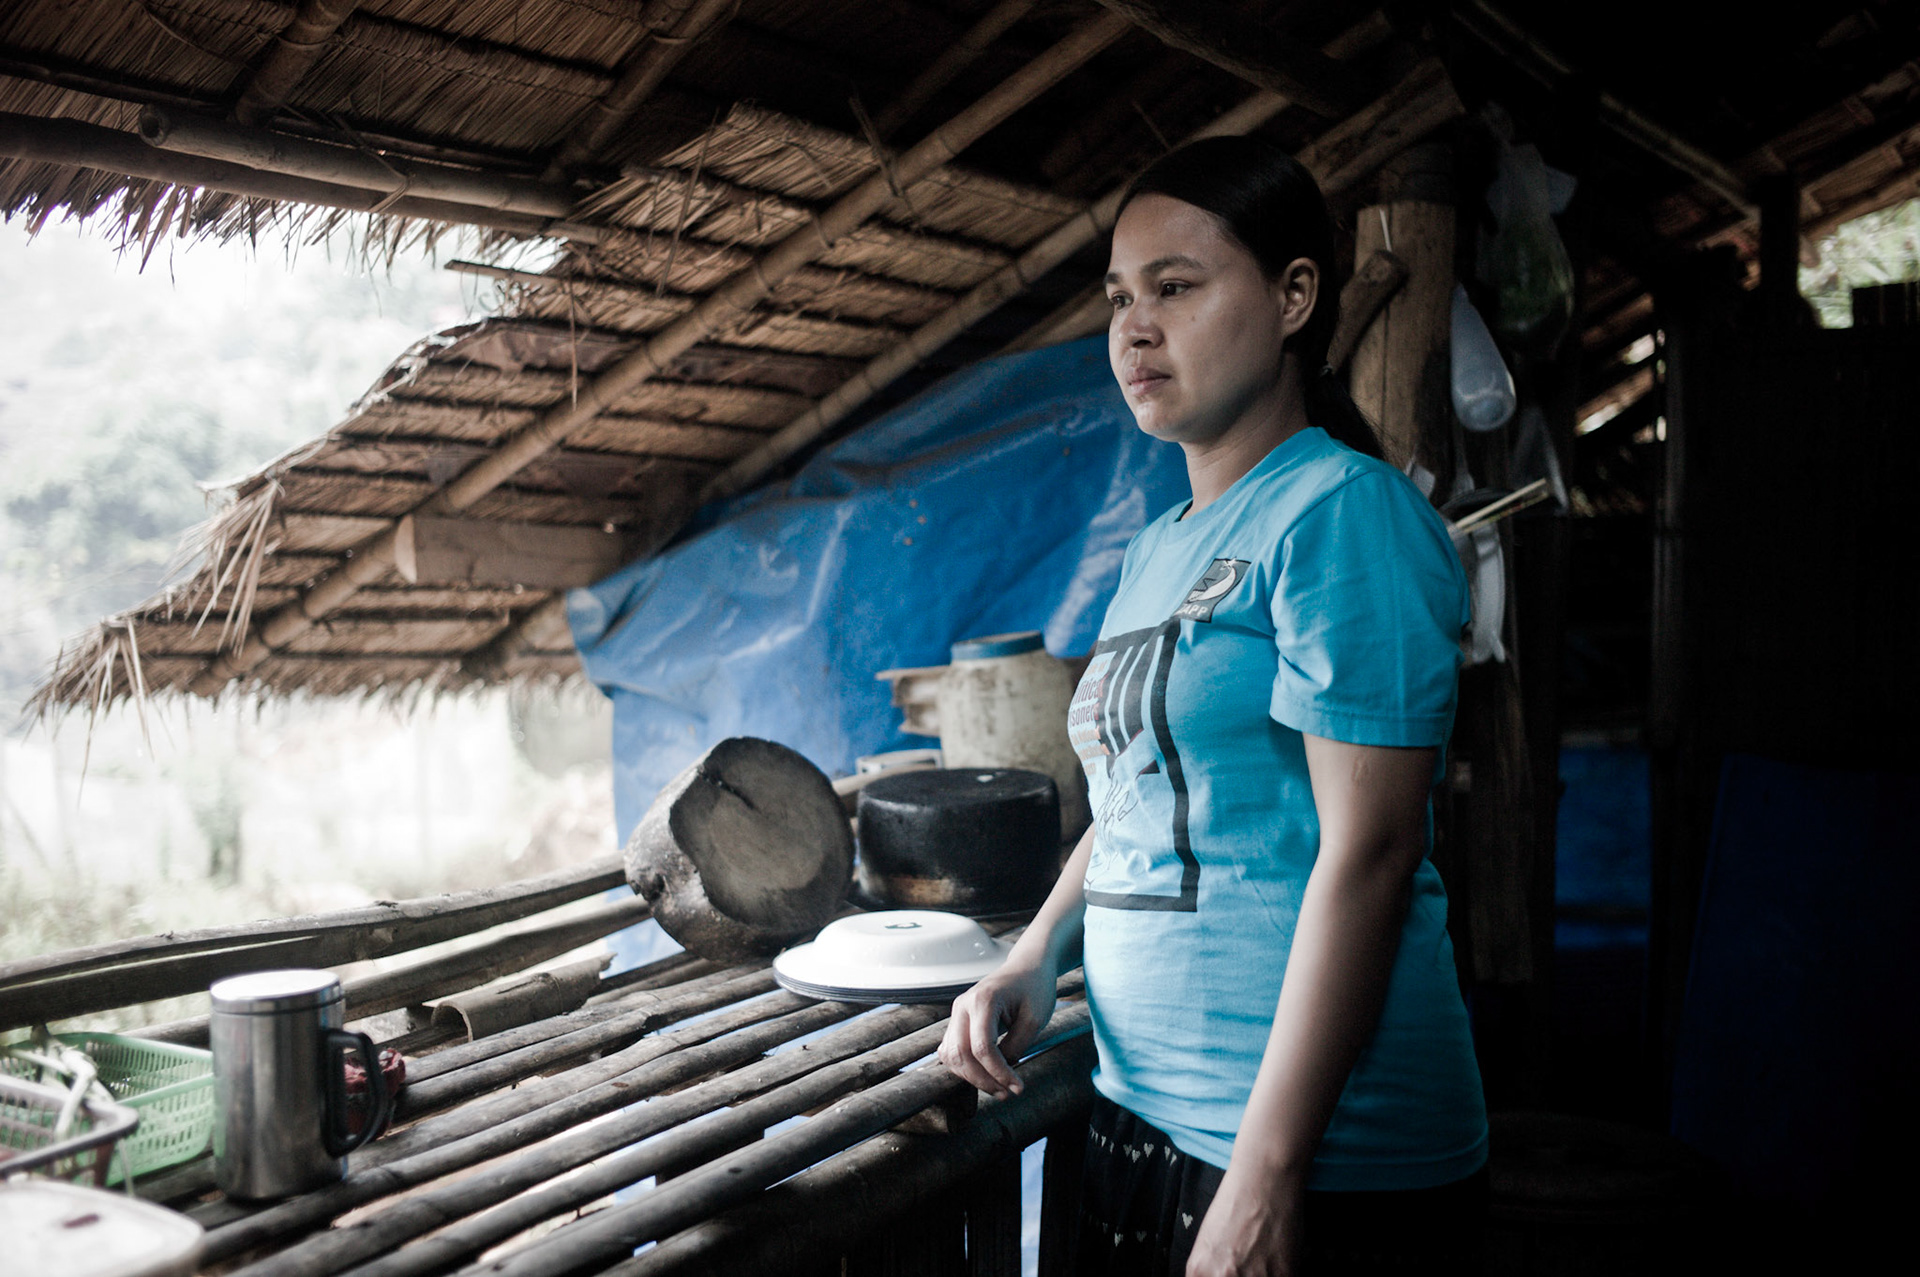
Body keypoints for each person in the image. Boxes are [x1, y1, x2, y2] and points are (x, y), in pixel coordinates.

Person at [937, 135, 1488, 1277]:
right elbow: (1135, 800)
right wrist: (1034, 954)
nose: (1134, 330)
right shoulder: (1157, 549)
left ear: (1295, 297)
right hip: (1145, 1109)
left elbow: (1375, 849)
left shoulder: (1341, 510)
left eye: (1176, 287)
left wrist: (1269, 1170)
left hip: (1319, 1155)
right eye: (1119, 299)